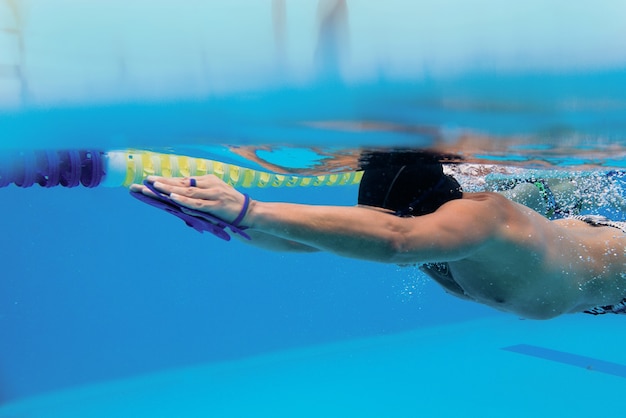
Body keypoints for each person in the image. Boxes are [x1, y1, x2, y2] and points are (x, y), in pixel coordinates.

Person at [130, 153, 626, 320]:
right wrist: (242, 219)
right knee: (541, 208)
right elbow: (373, 238)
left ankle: (551, 191)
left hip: (576, 265)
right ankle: (551, 194)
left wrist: (245, 215)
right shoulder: (469, 220)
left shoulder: (479, 218)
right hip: (558, 264)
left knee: (534, 205)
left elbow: (391, 239)